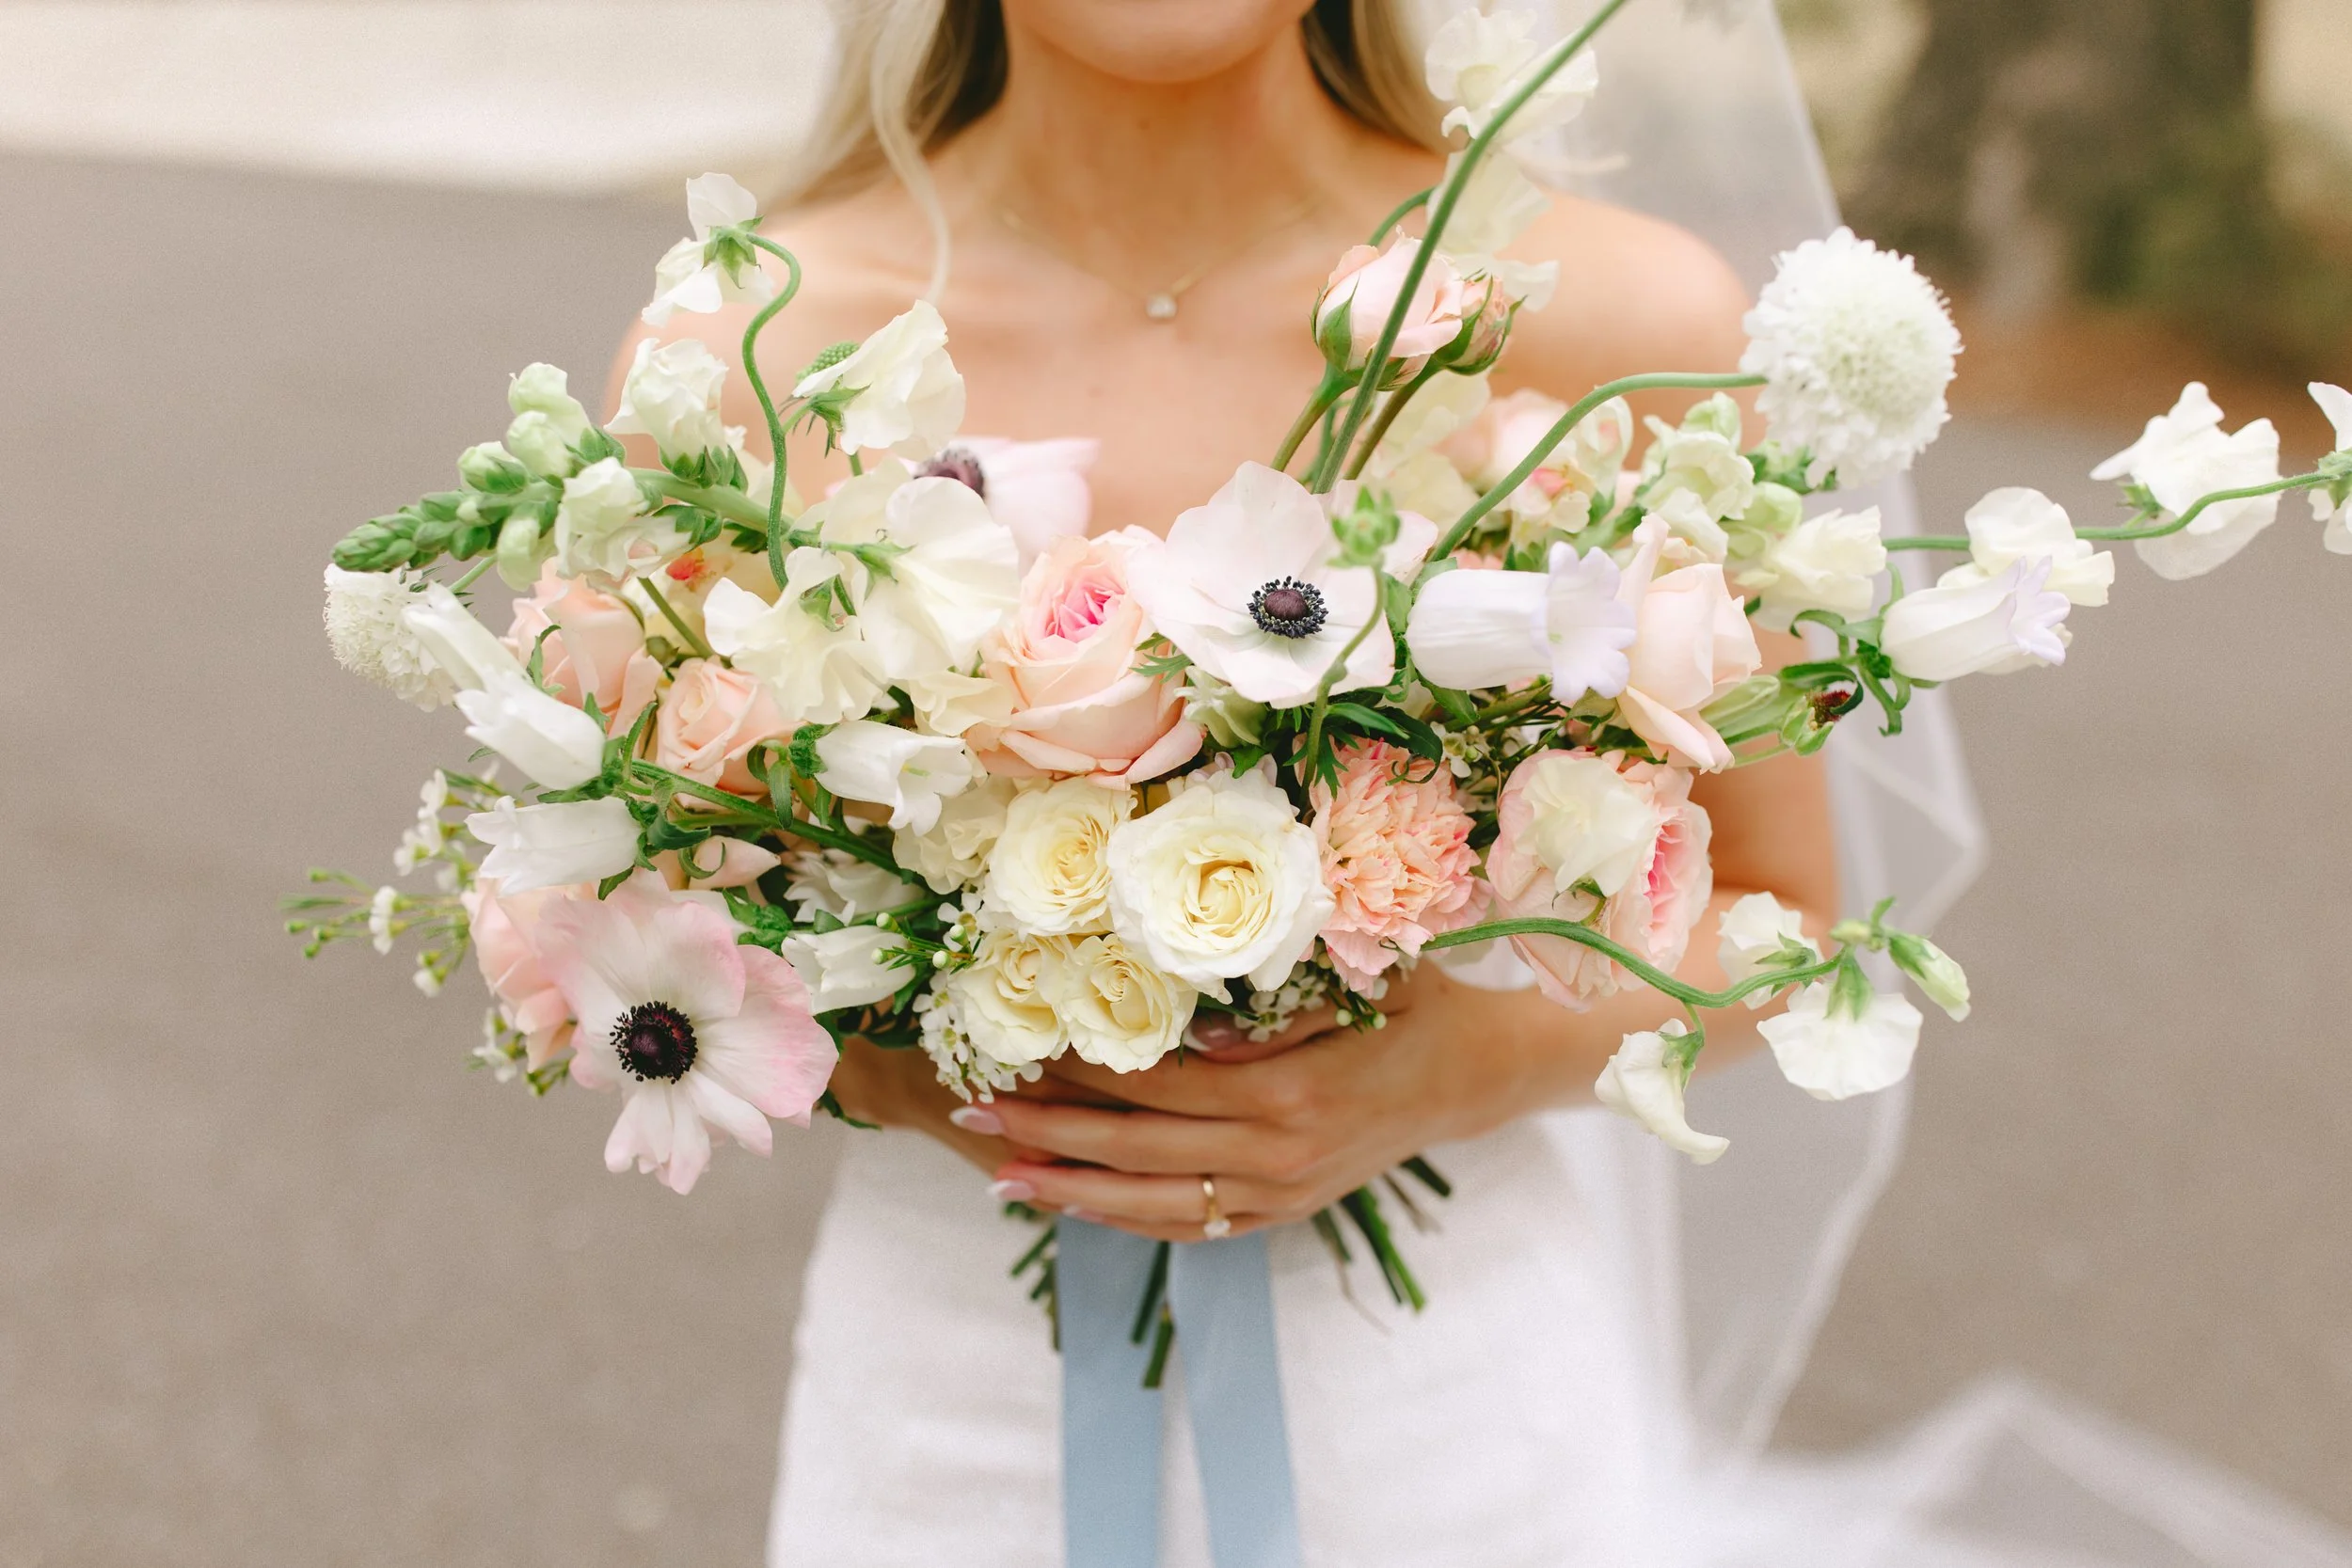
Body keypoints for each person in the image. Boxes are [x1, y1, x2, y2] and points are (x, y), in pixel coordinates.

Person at [612, 1, 1836, 1560]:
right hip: (947, 1405)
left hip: (1443, 1409)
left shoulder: (1611, 318)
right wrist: (916, 1058)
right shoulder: (748, 352)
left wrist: (1426, 1070)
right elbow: (648, 922)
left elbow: (1790, 919)